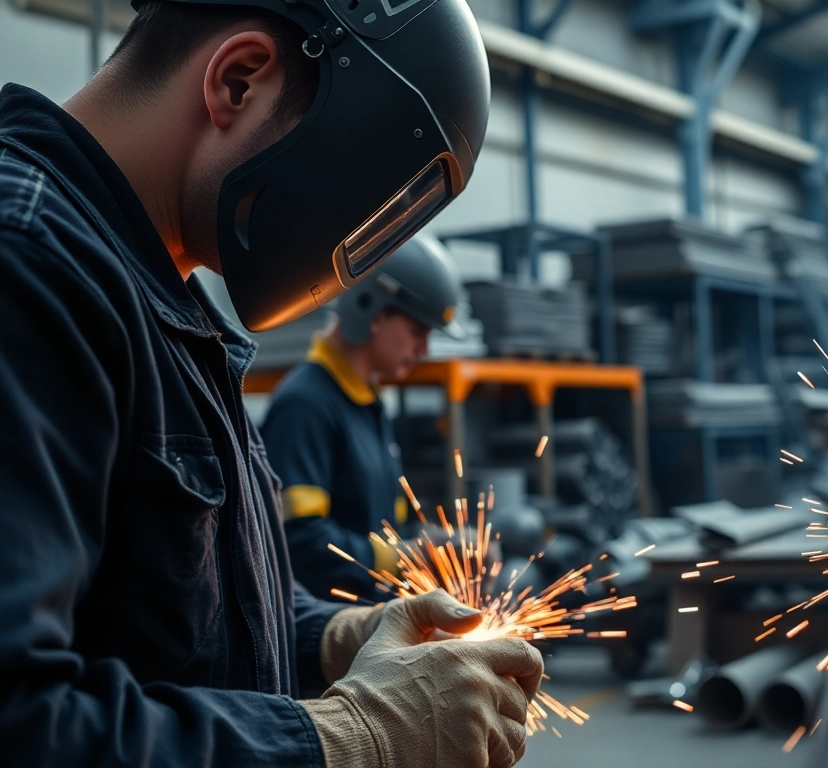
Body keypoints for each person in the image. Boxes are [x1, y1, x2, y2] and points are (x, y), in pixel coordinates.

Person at [0, 0, 543, 764]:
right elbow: (21, 724)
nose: (339, 235)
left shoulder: (171, 310)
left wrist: (331, 637)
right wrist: (348, 739)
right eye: (354, 186)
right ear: (239, 81)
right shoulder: (26, 266)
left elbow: (184, 613)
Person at [263, 235, 461, 600]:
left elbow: (385, 525)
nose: (424, 350)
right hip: (326, 637)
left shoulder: (368, 405)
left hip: (370, 628)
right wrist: (401, 556)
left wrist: (439, 550)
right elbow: (299, 540)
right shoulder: (304, 405)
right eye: (417, 331)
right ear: (375, 311)